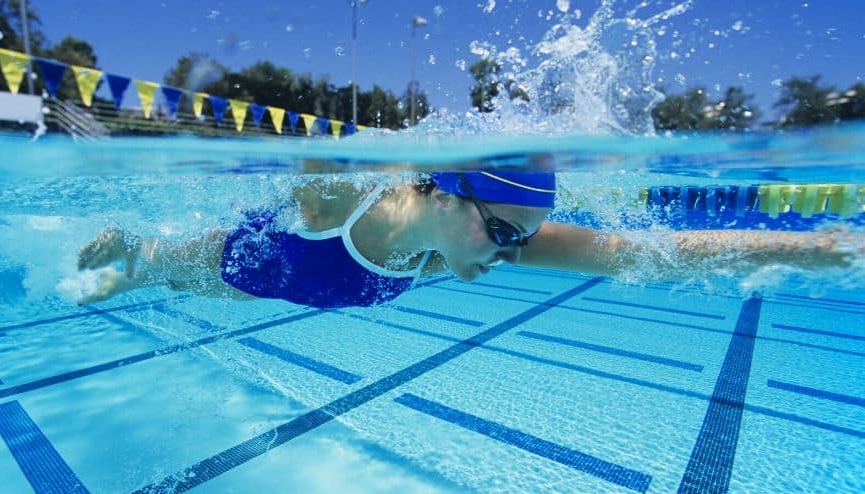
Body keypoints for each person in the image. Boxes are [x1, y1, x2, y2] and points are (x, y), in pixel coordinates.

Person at [75, 170, 858, 308]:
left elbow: (639, 256)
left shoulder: (483, 234)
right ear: (446, 193)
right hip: (247, 257)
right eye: (499, 233)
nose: (505, 251)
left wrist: (815, 247)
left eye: (516, 241)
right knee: (154, 266)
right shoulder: (349, 192)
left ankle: (127, 269)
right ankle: (125, 246)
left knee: (155, 284)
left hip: (288, 287)